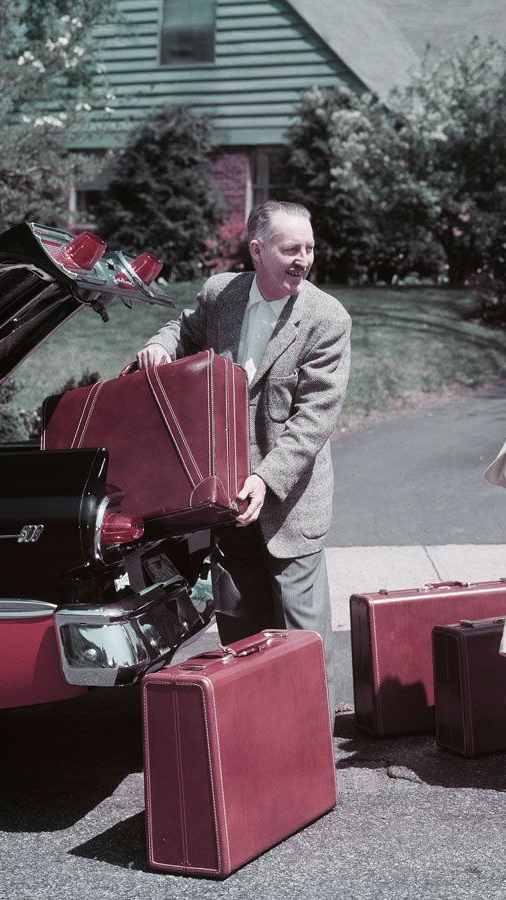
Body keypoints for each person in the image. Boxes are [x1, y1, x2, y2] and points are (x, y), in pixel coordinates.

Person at [136, 200, 351, 722]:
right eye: (290, 249)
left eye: (310, 249)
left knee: (302, 631)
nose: (303, 259)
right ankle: (249, 732)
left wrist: (265, 478)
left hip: (288, 501)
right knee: (239, 622)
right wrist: (159, 346)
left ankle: (309, 739)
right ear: (257, 251)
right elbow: (182, 329)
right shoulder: (221, 294)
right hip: (226, 495)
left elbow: (313, 422)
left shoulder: (327, 319)